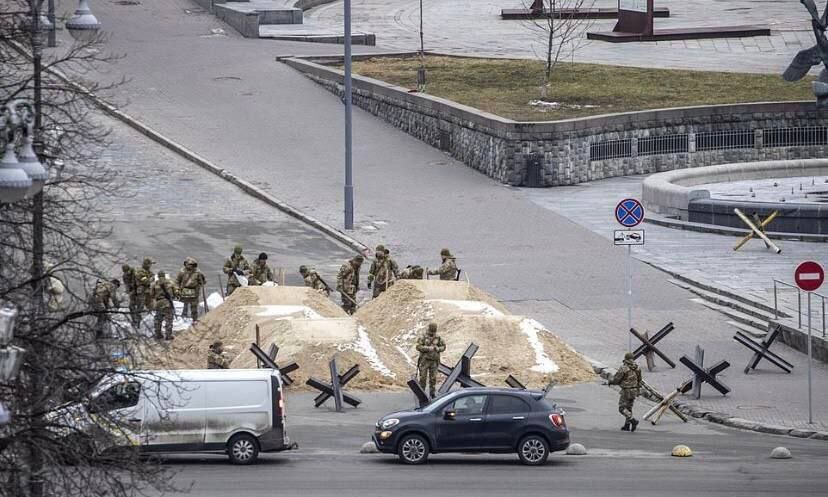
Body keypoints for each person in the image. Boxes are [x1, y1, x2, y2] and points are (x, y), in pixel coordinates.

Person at [608, 352, 642, 432]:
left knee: (622, 408)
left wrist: (610, 381)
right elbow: (640, 380)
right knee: (629, 408)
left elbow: (617, 379)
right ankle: (627, 425)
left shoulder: (623, 368)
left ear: (625, 359)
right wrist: (638, 390)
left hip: (626, 390)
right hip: (634, 390)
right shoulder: (638, 368)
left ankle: (633, 420)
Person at [416, 323, 446, 398]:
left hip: (434, 361)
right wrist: (427, 348)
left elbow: (443, 346)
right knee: (423, 378)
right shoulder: (423, 336)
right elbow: (418, 346)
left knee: (433, 379)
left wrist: (438, 349)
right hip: (424, 361)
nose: (432, 333)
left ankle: (432, 394)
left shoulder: (438, 337)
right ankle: (421, 394)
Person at [175, 257, 206, 322]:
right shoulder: (182, 272)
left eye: (191, 265)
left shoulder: (198, 272)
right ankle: (183, 319)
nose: (190, 266)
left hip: (194, 292)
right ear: (185, 264)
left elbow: (203, 281)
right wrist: (177, 289)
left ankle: (194, 320)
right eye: (188, 264)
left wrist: (199, 285)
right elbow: (177, 281)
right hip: (184, 291)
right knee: (184, 306)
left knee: (194, 307)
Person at [151, 270, 177, 340]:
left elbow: (152, 295)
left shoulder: (154, 284)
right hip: (167, 303)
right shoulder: (170, 282)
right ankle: (168, 336)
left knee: (158, 319)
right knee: (169, 320)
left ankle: (158, 334)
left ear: (158, 276)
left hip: (158, 303)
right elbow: (175, 293)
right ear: (164, 276)